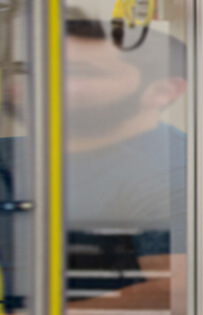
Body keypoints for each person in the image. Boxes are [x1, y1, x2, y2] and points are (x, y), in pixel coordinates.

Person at [1, 16, 188, 311]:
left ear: (161, 91)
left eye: (80, 73)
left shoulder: (177, 168)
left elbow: (176, 287)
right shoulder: (13, 154)